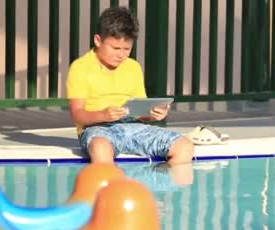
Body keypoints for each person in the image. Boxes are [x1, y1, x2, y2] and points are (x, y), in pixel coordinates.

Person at [66, 7, 194, 165]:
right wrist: (104, 115)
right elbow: (77, 115)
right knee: (100, 148)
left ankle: (159, 184)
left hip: (133, 127)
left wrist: (153, 115)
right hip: (98, 129)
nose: (121, 54)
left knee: (185, 147)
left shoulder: (133, 67)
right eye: (115, 48)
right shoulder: (80, 67)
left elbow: (139, 113)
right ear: (98, 40)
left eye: (127, 49)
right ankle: (111, 188)